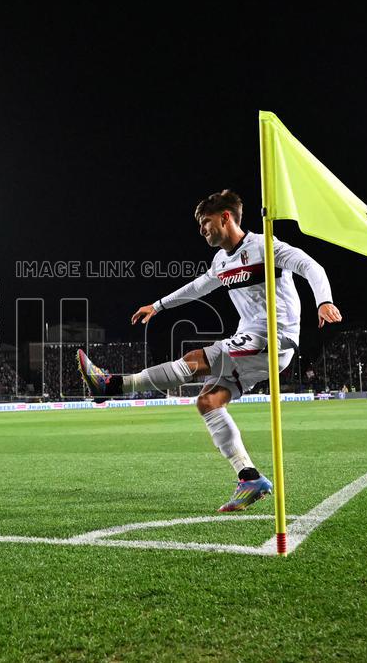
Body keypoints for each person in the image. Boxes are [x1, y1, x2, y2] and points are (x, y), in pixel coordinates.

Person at [77, 190, 341, 512]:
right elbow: (198, 287)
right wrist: (157, 306)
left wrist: (323, 301)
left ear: (225, 217)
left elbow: (309, 266)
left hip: (275, 336)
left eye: (206, 222)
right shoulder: (221, 261)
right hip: (251, 338)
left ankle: (112, 385)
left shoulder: (264, 246)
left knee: (195, 361)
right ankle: (250, 477)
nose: (202, 229)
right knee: (208, 402)